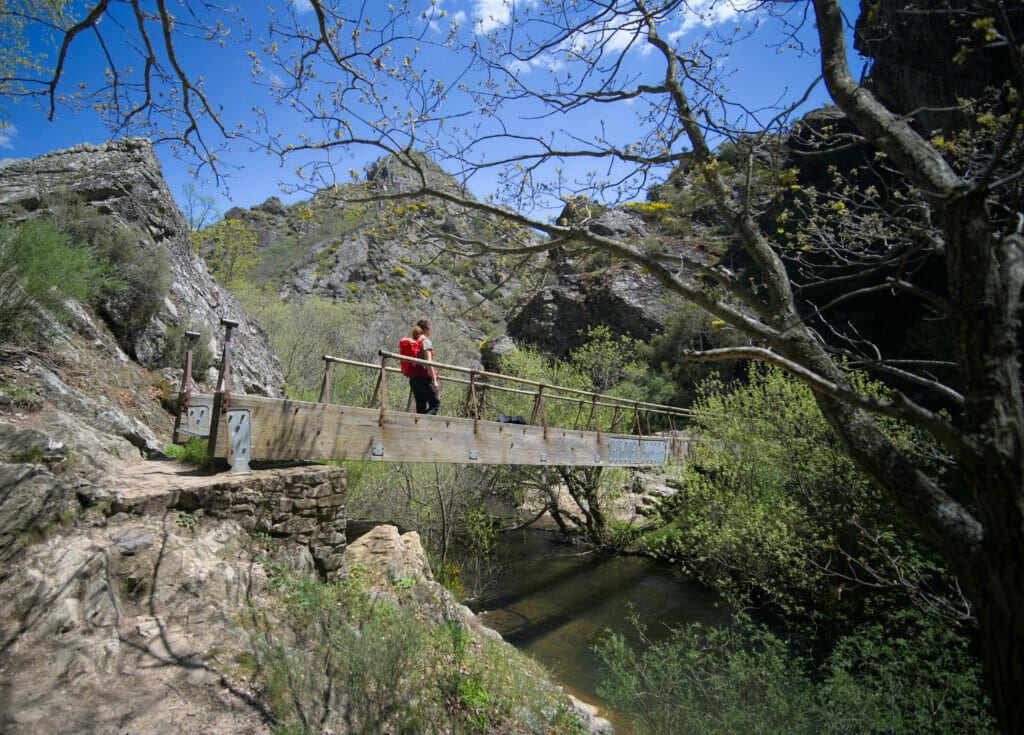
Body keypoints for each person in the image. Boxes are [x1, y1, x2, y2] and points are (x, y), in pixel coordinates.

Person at [408, 318, 440, 415]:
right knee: (435, 405)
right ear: (426, 329)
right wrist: (434, 381)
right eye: (430, 329)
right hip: (425, 379)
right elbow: (428, 363)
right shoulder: (425, 341)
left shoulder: (413, 341)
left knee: (420, 407)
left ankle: (418, 428)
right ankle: (422, 425)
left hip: (413, 379)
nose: (430, 332)